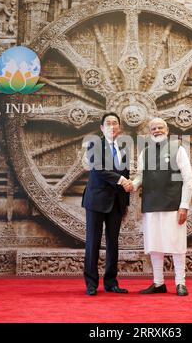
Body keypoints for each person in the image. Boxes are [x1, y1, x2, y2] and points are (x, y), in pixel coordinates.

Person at [132, 118, 192, 296]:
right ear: (150, 132)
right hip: (151, 204)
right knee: (154, 245)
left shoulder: (178, 149)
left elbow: (188, 179)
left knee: (177, 245)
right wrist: (133, 185)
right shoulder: (145, 152)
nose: (156, 130)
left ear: (167, 130)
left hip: (173, 205)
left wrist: (184, 206)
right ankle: (158, 283)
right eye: (153, 128)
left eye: (160, 127)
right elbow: (140, 176)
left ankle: (180, 283)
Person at [81, 112, 132, 296]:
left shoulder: (123, 147)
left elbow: (126, 175)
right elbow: (99, 169)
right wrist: (121, 180)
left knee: (113, 243)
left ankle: (111, 282)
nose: (112, 126)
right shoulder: (94, 144)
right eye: (108, 123)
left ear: (119, 127)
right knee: (93, 242)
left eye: (115, 123)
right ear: (102, 128)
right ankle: (91, 283)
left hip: (116, 203)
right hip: (96, 200)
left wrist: (125, 203)